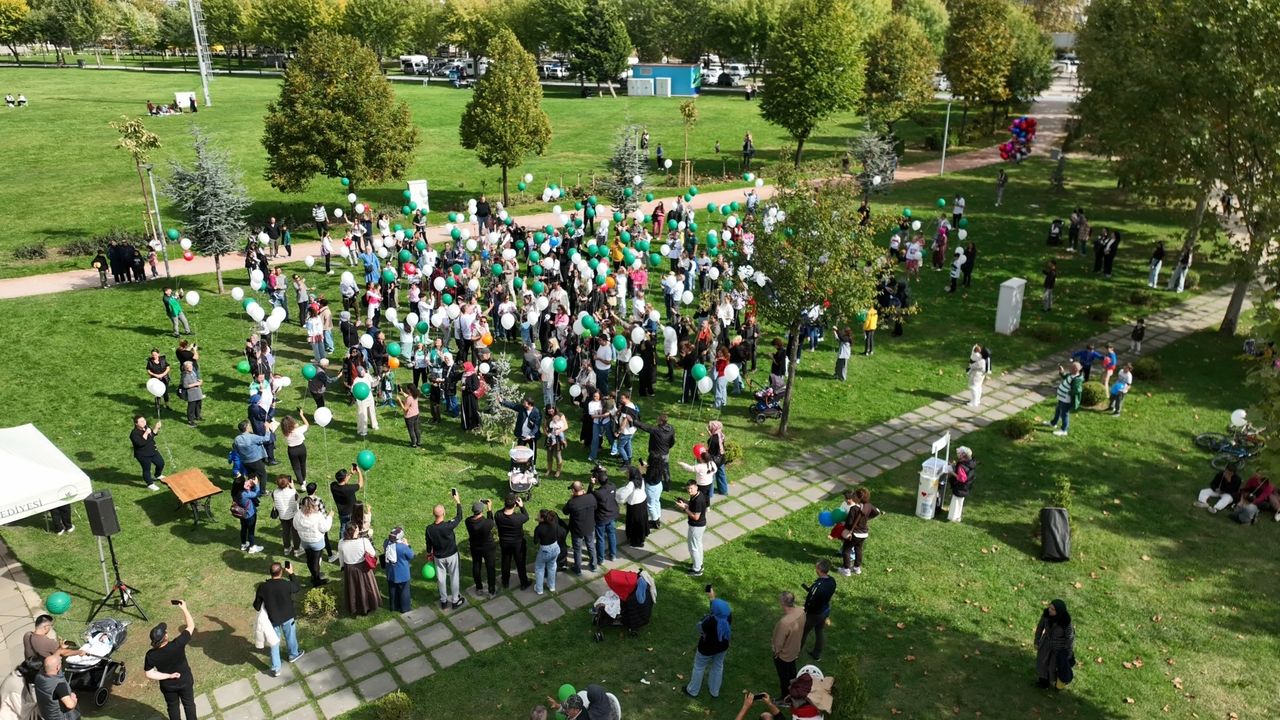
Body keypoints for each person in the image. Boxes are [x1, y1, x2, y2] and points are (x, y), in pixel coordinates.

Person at [143, 600, 197, 720]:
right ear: (166, 636)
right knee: (189, 704)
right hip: (185, 681)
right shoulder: (177, 644)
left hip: (168, 686)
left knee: (172, 707)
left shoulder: (151, 655)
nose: (166, 631)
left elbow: (149, 673)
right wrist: (184, 608)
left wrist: (169, 676)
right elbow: (191, 626)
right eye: (165, 631)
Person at [253, 562, 304, 677]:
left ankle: (276, 668)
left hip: (272, 619)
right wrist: (291, 573)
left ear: (270, 573)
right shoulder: (286, 584)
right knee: (290, 636)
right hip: (288, 616)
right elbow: (297, 587)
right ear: (281, 572)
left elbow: (257, 606)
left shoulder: (263, 587)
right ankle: (293, 654)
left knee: (274, 642)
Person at [685, 589, 732, 699]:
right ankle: (714, 691)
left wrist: (703, 620)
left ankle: (693, 691)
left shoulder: (709, 621)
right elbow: (717, 609)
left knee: (699, 667)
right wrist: (712, 597)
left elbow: (699, 628)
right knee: (718, 666)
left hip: (706, 648)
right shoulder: (728, 616)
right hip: (722, 646)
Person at [633, 413, 675, 528]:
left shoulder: (656, 430)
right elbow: (672, 441)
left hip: (657, 458)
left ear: (660, 421)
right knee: (665, 471)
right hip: (665, 454)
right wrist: (667, 448)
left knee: (651, 504)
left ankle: (656, 521)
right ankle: (668, 485)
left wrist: (642, 473)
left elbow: (645, 427)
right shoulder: (671, 428)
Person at [426, 490, 465, 609]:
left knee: (441, 579)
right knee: (454, 576)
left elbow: (428, 544)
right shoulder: (448, 526)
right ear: (444, 513)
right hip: (452, 555)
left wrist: (429, 554)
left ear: (433, 514)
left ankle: (443, 601)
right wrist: (458, 501)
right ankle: (455, 600)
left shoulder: (429, 529)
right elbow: (459, 517)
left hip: (438, 557)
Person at [337, 524, 380, 616]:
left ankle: (354, 607)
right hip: (363, 568)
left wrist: (342, 566)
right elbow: (372, 553)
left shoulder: (341, 542)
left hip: (349, 569)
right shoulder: (363, 541)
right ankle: (368, 606)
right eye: (357, 529)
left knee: (353, 589)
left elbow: (341, 556)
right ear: (354, 532)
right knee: (367, 587)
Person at [770, 591, 805, 700]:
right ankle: (795, 689)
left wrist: (776, 653)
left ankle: (785, 698)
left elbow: (778, 643)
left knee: (784, 677)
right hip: (795, 649)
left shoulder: (784, 623)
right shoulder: (801, 612)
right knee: (792, 672)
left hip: (784, 655)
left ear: (782, 602)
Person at [838, 487, 880, 575]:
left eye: (854, 495)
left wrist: (844, 525)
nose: (853, 496)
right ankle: (857, 568)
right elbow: (876, 512)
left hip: (854, 534)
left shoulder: (854, 508)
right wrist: (867, 518)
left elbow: (849, 523)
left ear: (858, 498)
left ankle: (846, 570)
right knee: (858, 549)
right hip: (864, 534)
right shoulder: (869, 505)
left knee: (846, 550)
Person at [1034, 599, 1076, 689]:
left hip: (1058, 648)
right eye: (1050, 607)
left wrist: (1068, 653)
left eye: (1053, 609)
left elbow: (1070, 638)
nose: (1049, 610)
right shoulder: (1046, 615)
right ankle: (1043, 682)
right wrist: (1036, 641)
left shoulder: (1066, 622)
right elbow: (1040, 628)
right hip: (1045, 644)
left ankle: (1056, 682)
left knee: (1052, 667)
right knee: (1042, 663)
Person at [294, 496, 334, 587]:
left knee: (309, 559)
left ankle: (314, 575)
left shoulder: (298, 514)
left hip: (305, 541)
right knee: (316, 561)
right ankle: (316, 579)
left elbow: (295, 526)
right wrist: (330, 517)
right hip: (316, 542)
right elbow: (325, 528)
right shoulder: (317, 515)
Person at [800, 560, 836, 661]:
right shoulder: (832, 581)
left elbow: (810, 600)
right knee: (819, 631)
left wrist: (805, 609)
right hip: (825, 610)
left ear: (820, 569)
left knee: (803, 632)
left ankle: (795, 653)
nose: (815, 569)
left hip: (814, 614)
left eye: (816, 567)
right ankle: (817, 654)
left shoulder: (818, 585)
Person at [496, 493, 531, 591]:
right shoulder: (518, 518)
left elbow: (503, 511)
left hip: (504, 543)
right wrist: (522, 506)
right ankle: (524, 583)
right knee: (520, 563)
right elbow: (526, 516)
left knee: (505, 561)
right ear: (515, 504)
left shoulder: (498, 515)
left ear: (504, 503)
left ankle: (505, 581)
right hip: (518, 544)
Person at [563, 481, 599, 574]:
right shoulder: (591, 497)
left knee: (577, 549)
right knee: (591, 546)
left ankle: (578, 569)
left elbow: (565, 511)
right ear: (582, 488)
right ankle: (594, 565)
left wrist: (571, 499)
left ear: (573, 490)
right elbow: (595, 507)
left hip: (577, 530)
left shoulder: (572, 503)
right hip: (590, 527)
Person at [675, 480, 709, 577]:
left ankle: (697, 569)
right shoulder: (698, 494)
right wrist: (685, 504)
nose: (689, 491)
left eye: (691, 488)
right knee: (698, 545)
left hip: (696, 526)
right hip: (700, 525)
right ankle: (699, 564)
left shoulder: (698, 500)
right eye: (688, 488)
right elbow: (693, 507)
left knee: (693, 547)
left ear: (696, 487)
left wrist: (684, 508)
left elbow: (695, 517)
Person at [465, 500, 498, 598]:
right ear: (482, 511)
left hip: (475, 547)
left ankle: (479, 588)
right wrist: (489, 509)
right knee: (490, 568)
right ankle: (491, 591)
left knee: (476, 566)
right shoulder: (487, 523)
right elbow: (491, 522)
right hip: (488, 548)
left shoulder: (468, 521)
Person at [33, 655, 77, 720]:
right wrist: (74, 699)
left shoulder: (38, 676)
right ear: (58, 667)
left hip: (46, 714)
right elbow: (70, 705)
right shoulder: (59, 685)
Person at [382, 526, 415, 613]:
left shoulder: (386, 543)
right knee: (404, 591)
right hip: (402, 574)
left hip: (390, 573)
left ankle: (394, 607)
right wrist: (407, 545)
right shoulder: (403, 547)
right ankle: (405, 608)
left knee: (392, 590)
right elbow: (411, 555)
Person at [591, 468, 619, 563]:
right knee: (612, 534)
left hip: (602, 518)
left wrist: (591, 485)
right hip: (612, 515)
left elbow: (589, 495)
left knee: (600, 538)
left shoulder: (598, 493)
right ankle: (613, 555)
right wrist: (603, 474)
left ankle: (600, 559)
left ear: (598, 481)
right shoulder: (613, 486)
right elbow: (608, 482)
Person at [533, 509, 564, 594]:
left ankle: (539, 589)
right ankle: (551, 586)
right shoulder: (554, 524)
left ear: (542, 518)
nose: (537, 516)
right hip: (555, 548)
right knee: (552, 567)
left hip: (545, 550)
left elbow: (535, 541)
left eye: (538, 515)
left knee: (539, 568)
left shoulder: (539, 528)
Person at [1048, 362, 1084, 437]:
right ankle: (1053, 423)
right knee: (1058, 409)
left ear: (1075, 369)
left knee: (1064, 414)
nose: (1069, 368)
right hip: (1062, 397)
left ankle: (1064, 430)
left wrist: (1068, 392)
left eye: (1071, 367)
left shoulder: (1077, 379)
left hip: (1066, 400)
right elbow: (1065, 377)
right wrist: (1062, 372)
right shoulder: (1071, 375)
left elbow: (1077, 390)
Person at [330, 466, 365, 541]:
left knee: (343, 528)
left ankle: (341, 542)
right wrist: (359, 472)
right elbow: (361, 484)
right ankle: (352, 541)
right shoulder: (349, 489)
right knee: (353, 528)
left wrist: (351, 474)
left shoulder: (333, 486)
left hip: (342, 513)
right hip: (351, 513)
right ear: (344, 478)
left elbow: (343, 483)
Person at [130, 415, 164, 491]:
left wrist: (156, 428)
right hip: (143, 455)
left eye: (144, 420)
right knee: (146, 469)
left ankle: (157, 475)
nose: (144, 422)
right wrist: (146, 433)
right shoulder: (134, 434)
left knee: (161, 463)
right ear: (136, 423)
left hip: (153, 451)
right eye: (141, 421)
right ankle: (150, 484)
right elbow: (140, 443)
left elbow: (152, 436)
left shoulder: (146, 427)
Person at [619, 462, 649, 548]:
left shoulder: (631, 484)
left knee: (635, 522)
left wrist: (617, 496)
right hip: (642, 502)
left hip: (634, 505)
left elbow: (622, 495)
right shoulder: (640, 478)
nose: (626, 474)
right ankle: (642, 535)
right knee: (641, 520)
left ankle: (636, 541)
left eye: (627, 473)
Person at [234, 475, 264, 553]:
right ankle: (252, 547)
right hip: (250, 514)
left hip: (242, 514)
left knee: (243, 529)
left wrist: (248, 486)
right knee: (251, 531)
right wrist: (256, 484)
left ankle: (243, 544)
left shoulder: (235, 492)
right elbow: (257, 494)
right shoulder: (244, 494)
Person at [271, 475, 300, 558]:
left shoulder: (274, 492)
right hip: (293, 515)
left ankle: (287, 548)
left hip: (282, 515)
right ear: (288, 483)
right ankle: (296, 550)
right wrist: (293, 488)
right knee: (295, 533)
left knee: (285, 532)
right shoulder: (292, 492)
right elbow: (299, 500)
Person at [946, 447, 976, 522]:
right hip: (966, 487)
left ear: (963, 456)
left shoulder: (961, 467)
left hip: (960, 487)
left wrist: (951, 472)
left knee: (955, 501)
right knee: (960, 502)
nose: (958, 455)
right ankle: (958, 517)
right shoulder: (970, 463)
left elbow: (962, 479)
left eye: (959, 454)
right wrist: (953, 465)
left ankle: (952, 517)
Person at [280, 411, 309, 485]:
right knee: (303, 464)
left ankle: (301, 483)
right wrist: (301, 415)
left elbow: (290, 429)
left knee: (296, 467)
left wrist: (295, 426)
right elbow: (306, 424)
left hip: (292, 450)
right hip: (301, 448)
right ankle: (303, 480)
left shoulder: (285, 432)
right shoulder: (298, 430)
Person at [180, 361, 203, 425]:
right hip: (191, 393)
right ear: (185, 368)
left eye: (191, 366)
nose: (190, 367)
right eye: (189, 366)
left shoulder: (193, 371)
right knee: (191, 407)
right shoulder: (184, 375)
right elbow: (185, 386)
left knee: (198, 404)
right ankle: (190, 420)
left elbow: (195, 378)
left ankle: (197, 416)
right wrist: (196, 384)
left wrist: (199, 381)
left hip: (197, 391)